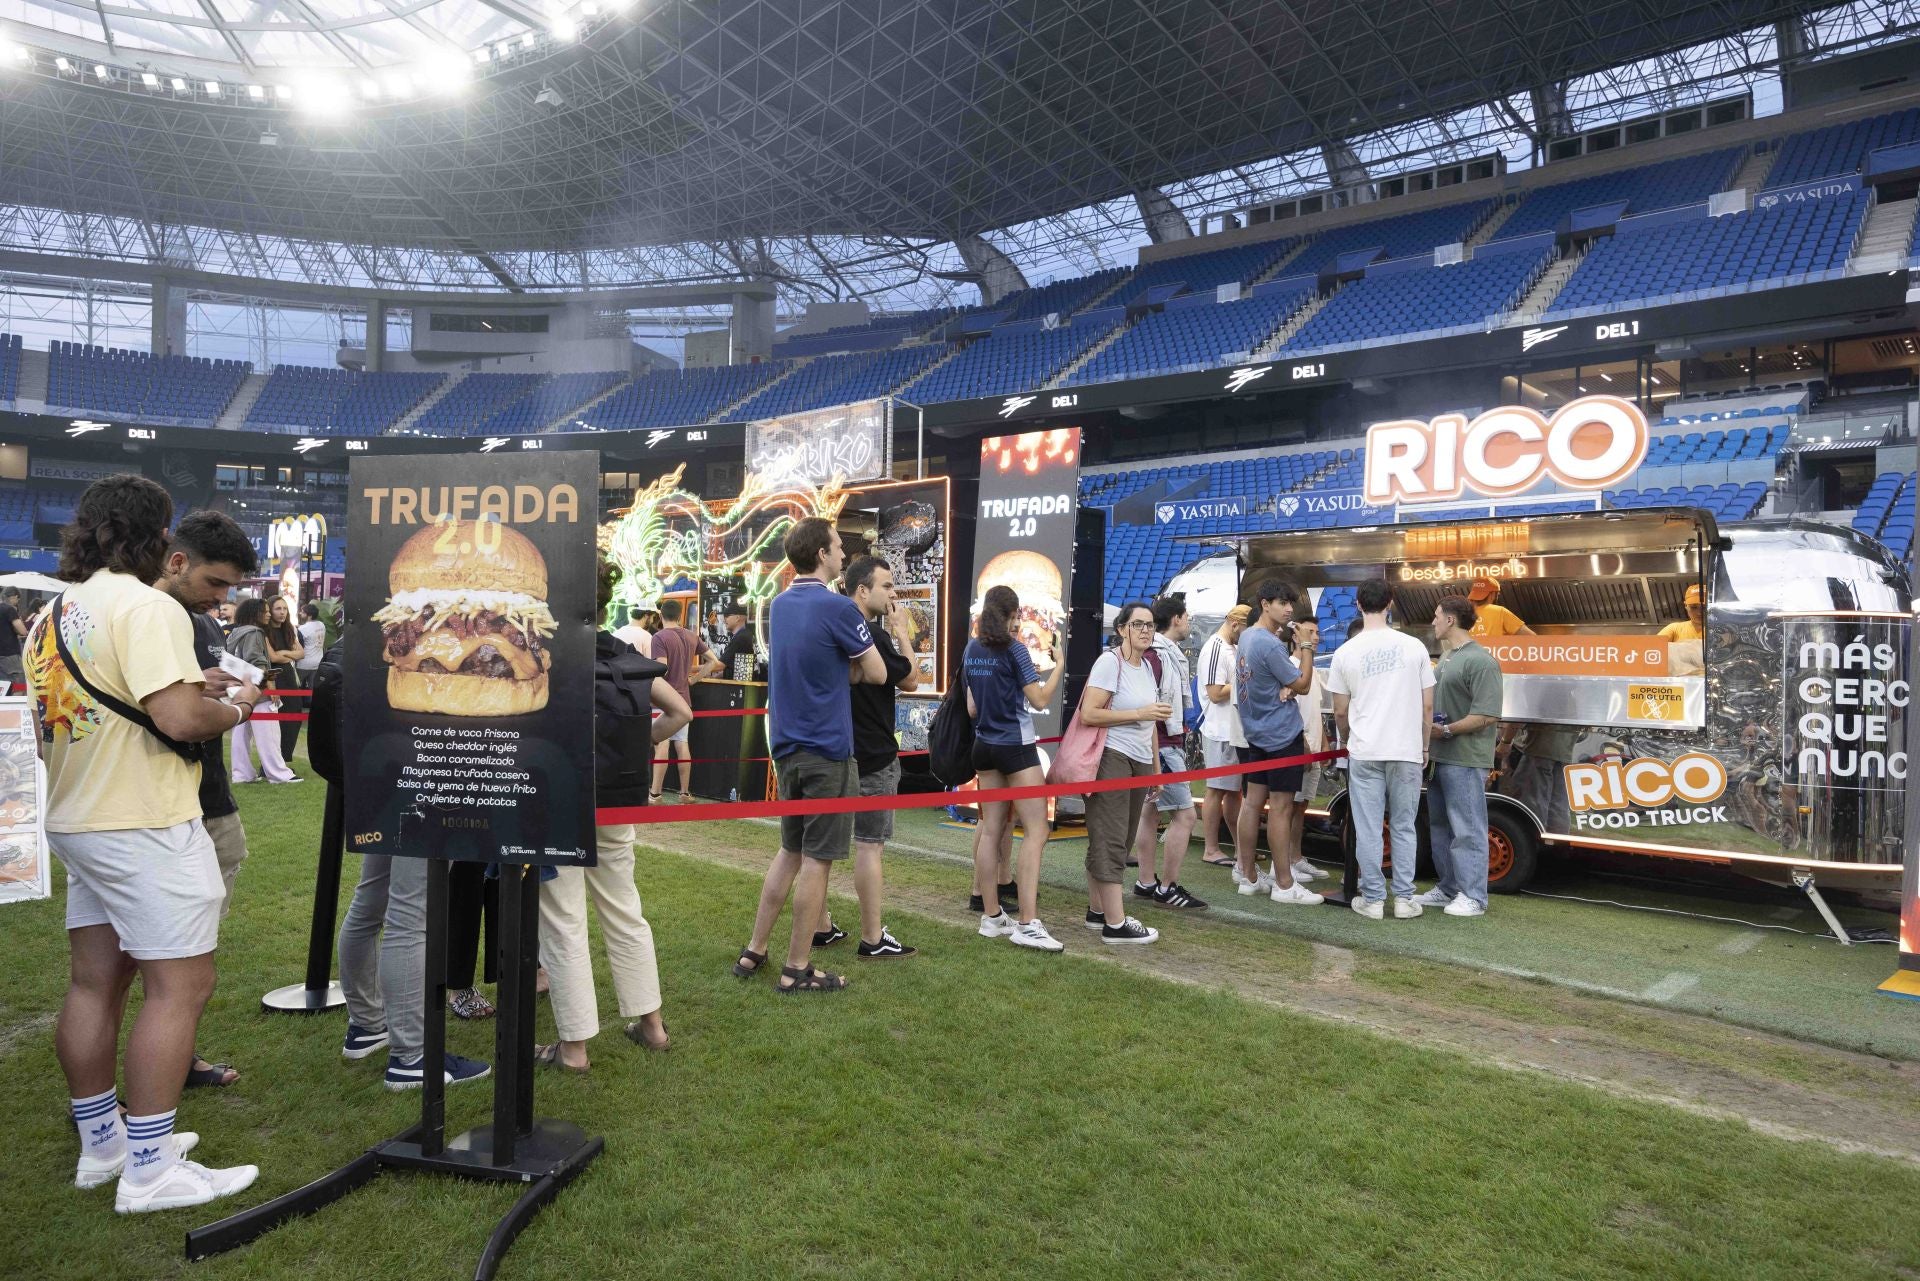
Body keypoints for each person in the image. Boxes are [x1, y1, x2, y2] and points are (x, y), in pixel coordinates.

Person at [28, 474, 263, 1213]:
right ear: (157, 537)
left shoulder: (50, 613)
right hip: (144, 817)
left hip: (78, 813)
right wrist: (237, 706)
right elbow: (182, 719)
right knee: (181, 984)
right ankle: (152, 1166)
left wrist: (197, 692)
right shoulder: (147, 605)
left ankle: (106, 1145)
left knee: (96, 981)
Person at [536, 554, 692, 1071]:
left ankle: (575, 1048)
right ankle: (651, 1025)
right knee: (625, 911)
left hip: (558, 800)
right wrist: (637, 744)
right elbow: (681, 712)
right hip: (616, 799)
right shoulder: (622, 653)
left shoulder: (547, 653)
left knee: (563, 921)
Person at [734, 517, 885, 992]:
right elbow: (878, 673)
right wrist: (850, 670)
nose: (844, 554)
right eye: (839, 547)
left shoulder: (779, 605)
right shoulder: (840, 608)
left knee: (790, 851)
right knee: (818, 860)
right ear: (822, 554)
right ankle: (797, 967)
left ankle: (754, 951)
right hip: (827, 749)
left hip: (788, 746)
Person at [154, 510, 261, 1091]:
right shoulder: (155, 617)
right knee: (176, 966)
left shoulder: (189, 618)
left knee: (180, 956)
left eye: (228, 588)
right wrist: (238, 703)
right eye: (215, 583)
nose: (220, 597)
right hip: (170, 806)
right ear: (176, 560)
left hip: (194, 799)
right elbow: (182, 720)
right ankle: (157, 1081)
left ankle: (174, 1060)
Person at [813, 555, 919, 958]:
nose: (893, 594)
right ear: (862, 590)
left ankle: (821, 926)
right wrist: (901, 632)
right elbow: (911, 679)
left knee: (818, 848)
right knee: (869, 845)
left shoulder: (831, 626)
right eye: (887, 586)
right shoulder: (867, 633)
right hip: (871, 754)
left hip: (832, 750)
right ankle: (873, 937)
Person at [963, 583, 1067, 951]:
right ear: (1011, 615)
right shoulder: (1016, 650)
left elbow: (972, 708)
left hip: (983, 745)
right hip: (1015, 747)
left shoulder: (971, 648)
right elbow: (1039, 699)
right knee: (1036, 830)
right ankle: (1028, 922)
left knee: (990, 829)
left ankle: (992, 916)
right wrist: (1059, 667)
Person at [1324, 578, 1434, 921]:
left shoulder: (1345, 652)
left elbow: (1340, 710)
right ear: (1390, 603)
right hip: (1406, 749)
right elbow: (1427, 707)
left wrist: (1347, 738)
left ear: (1358, 604)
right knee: (1403, 825)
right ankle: (1403, 899)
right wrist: (1425, 745)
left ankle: (1372, 899)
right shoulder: (1414, 646)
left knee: (1369, 827)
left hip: (1365, 749)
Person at [1074, 603, 1166, 943]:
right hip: (1112, 756)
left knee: (1118, 837)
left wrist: (1155, 767)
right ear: (1122, 628)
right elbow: (1089, 714)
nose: (1146, 630)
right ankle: (1116, 923)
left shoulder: (1146, 666)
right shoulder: (1109, 662)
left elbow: (1151, 721)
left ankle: (1098, 912)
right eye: (1138, 624)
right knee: (1112, 839)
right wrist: (1139, 712)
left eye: (1151, 625)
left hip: (1138, 758)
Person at [1233, 580, 1325, 906]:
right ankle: (1285, 885)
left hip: (1256, 732)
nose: (1288, 609)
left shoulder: (1247, 637)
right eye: (1282, 603)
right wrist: (1307, 649)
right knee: (1281, 808)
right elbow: (1300, 683)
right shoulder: (1269, 644)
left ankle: (1248, 876)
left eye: (1290, 603)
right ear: (1264, 604)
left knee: (1253, 802)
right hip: (1280, 734)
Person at [1415, 595, 1505, 918]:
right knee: (1441, 827)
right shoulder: (1450, 656)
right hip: (1441, 757)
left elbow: (1487, 714)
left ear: (1451, 620)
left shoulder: (1481, 661)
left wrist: (1447, 730)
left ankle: (1474, 897)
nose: (1434, 621)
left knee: (1467, 828)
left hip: (1466, 759)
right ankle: (1450, 888)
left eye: (1437, 616)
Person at [1129, 595, 1206, 910]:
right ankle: (1167, 886)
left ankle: (1146, 881)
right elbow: (1155, 708)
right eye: (1186, 616)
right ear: (1176, 619)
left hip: (1154, 743)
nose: (1189, 622)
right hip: (1162, 743)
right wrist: (1159, 755)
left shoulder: (1156, 654)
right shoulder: (1160, 656)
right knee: (1185, 816)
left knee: (1150, 813)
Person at [649, 598, 719, 802]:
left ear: (661, 615)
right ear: (680, 616)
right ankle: (685, 793)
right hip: (684, 699)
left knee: (661, 744)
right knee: (682, 745)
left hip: (664, 701)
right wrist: (693, 680)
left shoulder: (659, 637)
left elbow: (661, 670)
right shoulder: (691, 636)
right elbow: (713, 661)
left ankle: (655, 793)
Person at [1196, 604, 1249, 869]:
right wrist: (1244, 680)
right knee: (1216, 790)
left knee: (1233, 793)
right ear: (1235, 624)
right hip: (1219, 729)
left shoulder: (1233, 647)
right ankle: (1211, 848)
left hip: (1233, 729)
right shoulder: (1215, 647)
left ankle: (1242, 848)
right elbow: (1215, 693)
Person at [225, 599, 301, 785]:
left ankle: (242, 774)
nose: (268, 614)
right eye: (265, 611)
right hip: (258, 689)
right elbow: (257, 661)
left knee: (241, 733)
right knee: (269, 733)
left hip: (238, 688)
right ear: (255, 613)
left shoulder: (236, 631)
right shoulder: (255, 632)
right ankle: (279, 774)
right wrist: (271, 688)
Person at [1282, 615, 1329, 887]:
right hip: (1297, 746)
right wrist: (1301, 741)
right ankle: (1286, 861)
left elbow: (1315, 709)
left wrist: (1322, 740)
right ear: (1295, 636)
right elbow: (1289, 709)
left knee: (1301, 806)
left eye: (1317, 632)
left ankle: (1296, 856)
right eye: (1310, 631)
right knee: (1288, 806)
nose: (1316, 637)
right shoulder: (1289, 667)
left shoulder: (1313, 670)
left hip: (1312, 746)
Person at [263, 596, 305, 759]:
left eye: (284, 609)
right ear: (270, 611)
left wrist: (284, 653)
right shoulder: (264, 631)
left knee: (294, 714)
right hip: (273, 678)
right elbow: (273, 658)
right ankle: (273, 761)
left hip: (288, 677)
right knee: (276, 721)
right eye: (277, 609)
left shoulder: (288, 629)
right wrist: (289, 656)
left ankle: (285, 757)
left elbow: (301, 653)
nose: (282, 612)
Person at [1660, 584, 1706, 676]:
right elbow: (1653, 650)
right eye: (1693, 607)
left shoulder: (1720, 632)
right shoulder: (1674, 628)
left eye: (1704, 607)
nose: (1699, 612)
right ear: (1686, 606)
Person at [1467, 577, 1532, 639]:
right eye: (1497, 594)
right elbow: (1531, 637)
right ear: (1492, 595)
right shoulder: (1499, 611)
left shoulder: (1462, 614)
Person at [719, 608, 758, 681]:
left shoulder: (740, 638)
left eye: (727, 616)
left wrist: (692, 668)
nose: (724, 620)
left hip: (740, 689)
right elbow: (741, 670)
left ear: (737, 618)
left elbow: (719, 665)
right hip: (745, 685)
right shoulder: (747, 634)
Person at [0, 586, 25, 690]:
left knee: (3, 687)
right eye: (18, 599)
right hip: (10, 655)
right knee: (19, 686)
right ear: (14, 597)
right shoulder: (10, 609)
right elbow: (22, 631)